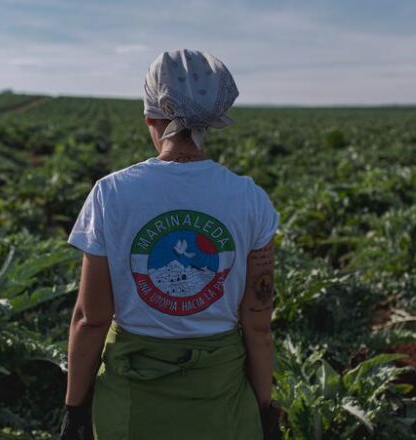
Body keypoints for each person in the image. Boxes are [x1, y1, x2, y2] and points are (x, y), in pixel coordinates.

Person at [60, 49, 281, 440]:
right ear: (210, 123)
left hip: (132, 404)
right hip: (220, 402)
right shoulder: (250, 199)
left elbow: (91, 319)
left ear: (151, 119)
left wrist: (75, 409)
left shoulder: (111, 194)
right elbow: (258, 326)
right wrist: (263, 408)